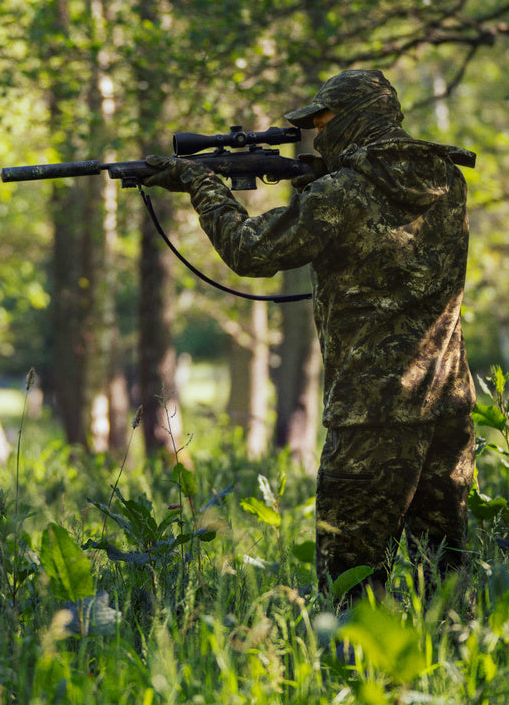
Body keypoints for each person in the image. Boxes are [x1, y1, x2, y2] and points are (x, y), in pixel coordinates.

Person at [142, 69, 475, 600]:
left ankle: (350, 675)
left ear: (357, 119)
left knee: (349, 580)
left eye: (325, 124)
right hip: (447, 406)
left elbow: (251, 250)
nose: (317, 137)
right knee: (447, 578)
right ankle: (460, 675)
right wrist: (313, 182)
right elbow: (386, 248)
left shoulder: (341, 194)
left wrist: (203, 185)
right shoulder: (445, 181)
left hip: (372, 413)